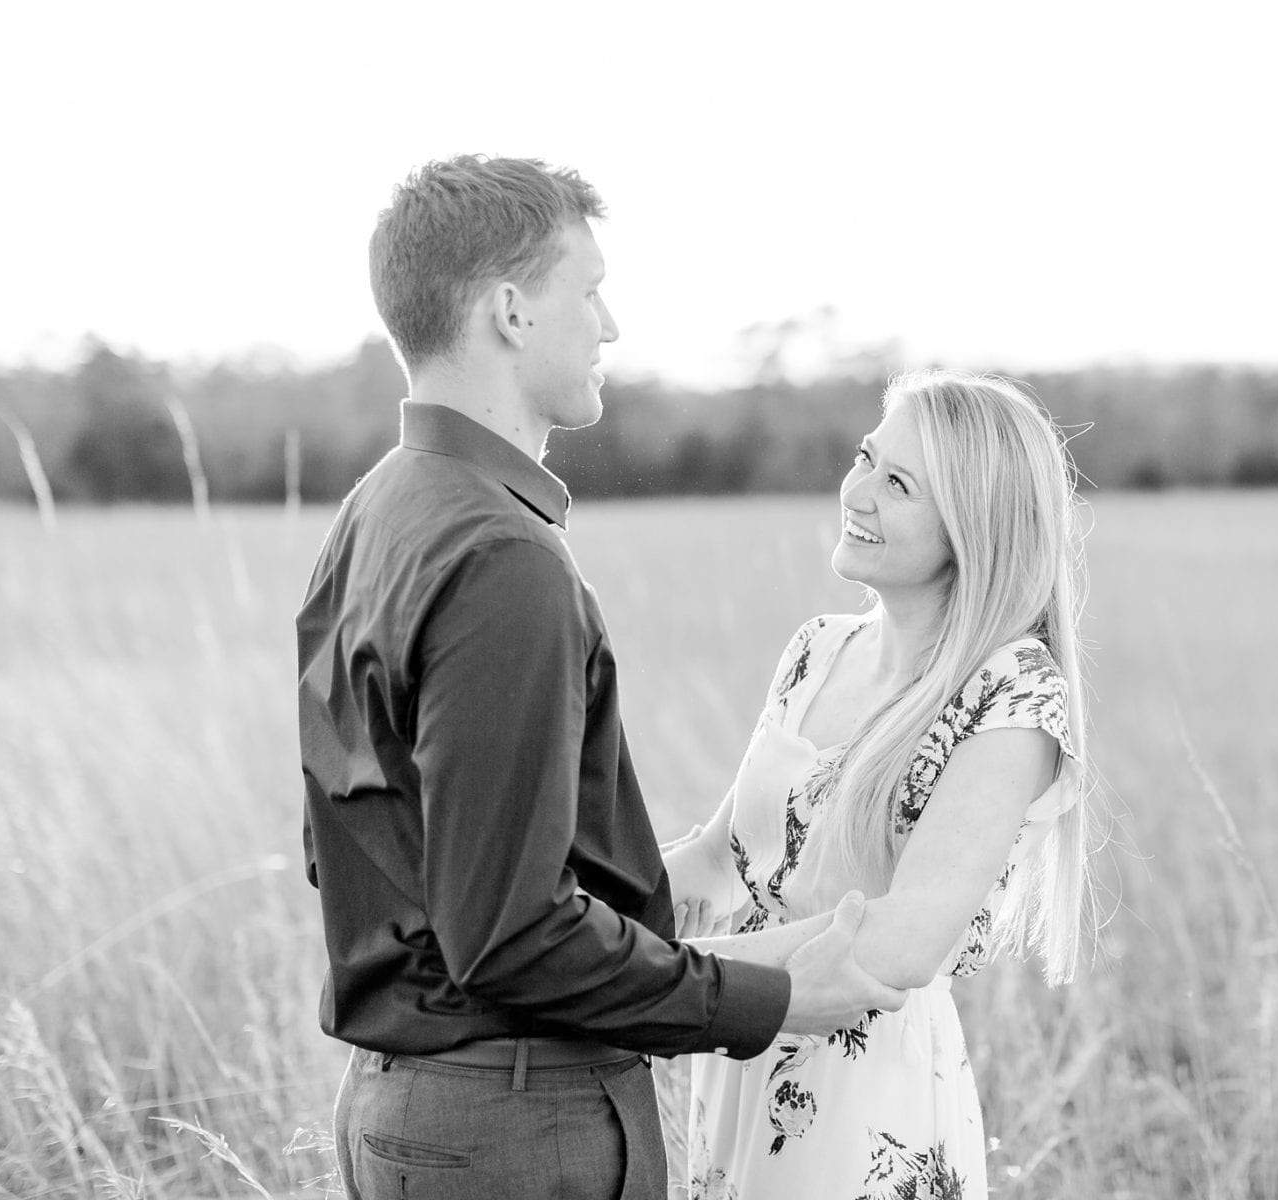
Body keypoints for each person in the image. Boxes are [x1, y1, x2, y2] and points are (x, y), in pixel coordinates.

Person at [297, 155, 903, 1200]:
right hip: (512, 1124)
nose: (611, 325)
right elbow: (510, 934)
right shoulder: (502, 560)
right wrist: (760, 1000)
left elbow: (351, 850)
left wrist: (743, 949)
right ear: (511, 311)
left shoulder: (377, 509)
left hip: (410, 1103)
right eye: (589, 289)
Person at [663, 369, 1094, 1200]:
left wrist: (674, 983)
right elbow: (722, 859)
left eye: (898, 484)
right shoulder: (818, 648)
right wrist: (566, 921)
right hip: (743, 1053)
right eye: (866, 458)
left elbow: (902, 941)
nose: (856, 492)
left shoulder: (1012, 690)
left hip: (865, 1093)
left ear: (973, 525)